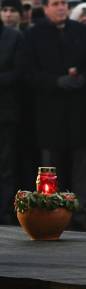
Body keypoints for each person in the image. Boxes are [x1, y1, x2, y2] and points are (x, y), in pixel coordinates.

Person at [24, 0, 86, 228]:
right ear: (45, 8)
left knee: (81, 167)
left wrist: (81, 78)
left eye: (64, 3)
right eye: (55, 3)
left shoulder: (81, 31)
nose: (61, 7)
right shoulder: (34, 35)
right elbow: (29, 74)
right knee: (51, 168)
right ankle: (52, 213)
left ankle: (81, 214)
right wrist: (57, 81)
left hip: (78, 111)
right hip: (49, 113)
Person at [0, 16, 24, 224]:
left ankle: (5, 211)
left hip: (6, 114)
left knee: (6, 165)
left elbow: (18, 72)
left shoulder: (12, 37)